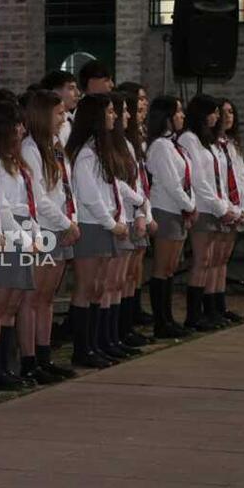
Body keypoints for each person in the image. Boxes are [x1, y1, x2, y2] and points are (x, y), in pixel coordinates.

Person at [0, 97, 37, 391]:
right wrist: (24, 238)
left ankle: (7, 365)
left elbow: (26, 203)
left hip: (21, 231)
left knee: (11, 305)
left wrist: (33, 232)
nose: (22, 130)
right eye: (16, 125)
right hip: (6, 235)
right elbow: (1, 208)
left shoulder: (12, 162)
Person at [66, 93, 128, 368]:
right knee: (86, 287)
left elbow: (112, 189)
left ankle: (93, 344)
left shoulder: (100, 151)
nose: (114, 116)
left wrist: (117, 218)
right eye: (110, 112)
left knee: (99, 287)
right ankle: (82, 349)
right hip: (92, 225)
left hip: (103, 224)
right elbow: (90, 197)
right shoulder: (86, 155)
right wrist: (111, 223)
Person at [20, 89, 79, 379]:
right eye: (58, 113)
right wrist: (64, 222)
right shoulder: (31, 149)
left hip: (61, 225)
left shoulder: (55, 145)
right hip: (44, 227)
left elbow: (66, 187)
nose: (64, 117)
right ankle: (29, 360)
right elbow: (38, 196)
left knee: (47, 299)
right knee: (34, 298)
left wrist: (72, 219)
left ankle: (44, 355)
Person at [178, 94, 236, 331]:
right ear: (201, 114)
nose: (217, 116)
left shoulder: (206, 140)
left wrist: (226, 205)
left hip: (214, 205)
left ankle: (209, 311)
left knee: (210, 260)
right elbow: (199, 180)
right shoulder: (189, 139)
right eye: (212, 112)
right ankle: (194, 314)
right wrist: (219, 206)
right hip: (203, 206)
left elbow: (218, 177)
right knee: (202, 260)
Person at [145, 95, 196, 338]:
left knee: (170, 270)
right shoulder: (160, 146)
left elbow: (187, 178)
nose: (182, 116)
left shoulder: (175, 144)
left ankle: (168, 318)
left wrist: (189, 204)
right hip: (165, 209)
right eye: (177, 112)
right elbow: (170, 183)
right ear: (166, 116)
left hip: (178, 209)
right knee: (162, 268)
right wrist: (189, 206)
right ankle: (161, 321)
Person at [104, 91, 144, 359]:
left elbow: (136, 180)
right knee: (108, 283)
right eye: (120, 111)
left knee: (121, 281)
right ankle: (107, 338)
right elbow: (116, 184)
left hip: (129, 214)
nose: (126, 116)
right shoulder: (105, 146)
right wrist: (138, 201)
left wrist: (142, 208)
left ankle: (117, 334)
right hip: (116, 217)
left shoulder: (126, 144)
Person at [120, 91, 156, 345]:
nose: (134, 112)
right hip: (125, 214)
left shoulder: (135, 140)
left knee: (132, 274)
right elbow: (123, 184)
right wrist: (140, 209)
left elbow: (141, 182)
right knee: (120, 278)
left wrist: (145, 210)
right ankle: (120, 329)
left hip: (137, 211)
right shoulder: (120, 143)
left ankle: (127, 324)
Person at [211, 98, 244, 323]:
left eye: (231, 112)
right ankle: (210, 308)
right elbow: (218, 181)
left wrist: (243, 207)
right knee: (212, 260)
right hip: (221, 208)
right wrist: (227, 208)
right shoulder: (212, 144)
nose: (227, 116)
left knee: (222, 260)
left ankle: (220, 306)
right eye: (223, 112)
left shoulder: (232, 144)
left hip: (234, 207)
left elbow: (241, 178)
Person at [40, 70, 80, 145]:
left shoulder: (71, 120)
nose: (77, 93)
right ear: (54, 92)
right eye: (71, 88)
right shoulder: (48, 125)